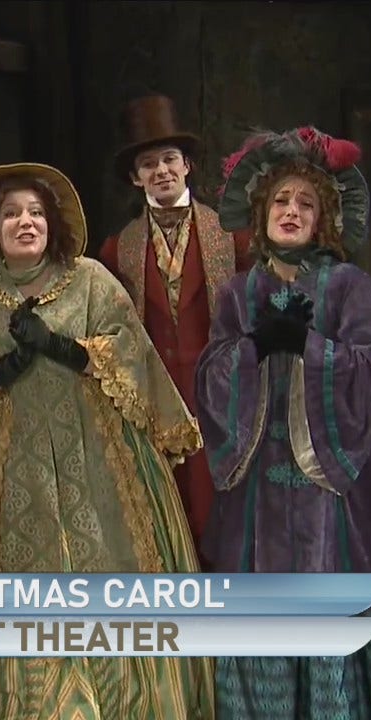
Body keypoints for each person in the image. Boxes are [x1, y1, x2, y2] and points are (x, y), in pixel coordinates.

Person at [194, 126, 371, 718]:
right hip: (263, 472)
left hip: (350, 463)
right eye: (281, 201)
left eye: (306, 204)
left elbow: (370, 371)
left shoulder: (351, 286)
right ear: (261, 212)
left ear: (323, 218)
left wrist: (308, 344)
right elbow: (212, 374)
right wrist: (256, 347)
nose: (291, 212)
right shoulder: (239, 293)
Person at [0, 162, 216, 719]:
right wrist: (3, 370)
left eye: (36, 213)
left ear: (53, 223)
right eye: (11, 214)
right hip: (14, 467)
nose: (26, 222)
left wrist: (65, 348)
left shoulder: (89, 279)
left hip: (99, 457)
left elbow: (130, 351)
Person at [98, 93, 252, 555]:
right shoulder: (118, 249)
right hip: (157, 400)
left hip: (219, 397)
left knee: (219, 508)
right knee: (168, 513)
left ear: (187, 165)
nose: (161, 171)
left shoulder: (231, 237)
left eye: (169, 159)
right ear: (135, 177)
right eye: (149, 164)